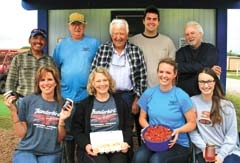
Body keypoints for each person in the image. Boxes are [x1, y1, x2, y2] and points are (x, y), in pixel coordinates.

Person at [52, 12, 100, 162]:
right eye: (74, 24)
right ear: (69, 26)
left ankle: (84, 159)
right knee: (67, 133)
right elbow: (55, 69)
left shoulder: (94, 44)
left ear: (84, 25)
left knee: (85, 131)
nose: (77, 27)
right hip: (66, 97)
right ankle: (68, 160)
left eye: (80, 24)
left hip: (87, 97)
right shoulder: (61, 45)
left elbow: (99, 69)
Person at [91, 18, 147, 146]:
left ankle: (129, 154)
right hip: (107, 96)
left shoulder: (135, 51)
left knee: (127, 129)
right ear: (111, 34)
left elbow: (142, 77)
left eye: (121, 33)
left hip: (129, 97)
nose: (118, 37)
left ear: (127, 34)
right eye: (115, 33)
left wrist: (137, 100)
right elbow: (93, 73)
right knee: (111, 128)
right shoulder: (102, 49)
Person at [132, 58, 196, 163]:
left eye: (168, 72)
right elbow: (142, 118)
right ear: (157, 72)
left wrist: (178, 131)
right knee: (139, 158)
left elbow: (192, 123)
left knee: (156, 161)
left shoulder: (181, 96)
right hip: (154, 141)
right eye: (161, 72)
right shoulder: (149, 93)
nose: (164, 75)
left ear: (175, 74)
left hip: (177, 143)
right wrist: (149, 130)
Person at [4, 65, 73, 163]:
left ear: (56, 82)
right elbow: (21, 134)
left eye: (50, 79)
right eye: (42, 80)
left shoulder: (63, 105)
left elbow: (58, 139)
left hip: (51, 152)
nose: (46, 83)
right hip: (27, 150)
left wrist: (61, 120)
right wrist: (13, 111)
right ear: (38, 83)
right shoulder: (27, 101)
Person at [72, 67, 133, 163]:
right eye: (98, 81)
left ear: (109, 81)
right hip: (94, 147)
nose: (102, 84)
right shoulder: (84, 105)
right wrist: (86, 145)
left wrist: (125, 142)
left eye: (105, 80)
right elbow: (76, 129)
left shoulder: (120, 101)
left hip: (117, 147)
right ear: (93, 83)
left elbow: (128, 125)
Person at [189, 67, 240, 163]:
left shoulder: (227, 106)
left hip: (228, 152)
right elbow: (192, 131)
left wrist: (221, 156)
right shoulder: (192, 102)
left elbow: (232, 135)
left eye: (209, 81)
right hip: (204, 151)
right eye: (202, 82)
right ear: (198, 83)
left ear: (215, 82)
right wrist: (204, 148)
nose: (206, 85)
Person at [129, 5, 176, 87]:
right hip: (139, 90)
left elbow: (173, 69)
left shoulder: (167, 42)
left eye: (154, 19)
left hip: (162, 89)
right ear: (143, 21)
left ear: (158, 22)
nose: (151, 22)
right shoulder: (133, 41)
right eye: (148, 19)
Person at [5, 28, 55, 100]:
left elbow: (55, 81)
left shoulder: (50, 60)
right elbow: (11, 81)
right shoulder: (18, 58)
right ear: (29, 40)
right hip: (22, 100)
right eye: (35, 38)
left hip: (44, 101)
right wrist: (10, 99)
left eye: (42, 39)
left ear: (45, 42)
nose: (38, 41)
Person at [176, 21, 222, 97]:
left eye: (192, 33)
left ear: (200, 34)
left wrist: (187, 69)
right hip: (186, 96)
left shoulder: (211, 49)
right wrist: (205, 70)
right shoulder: (181, 52)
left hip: (207, 96)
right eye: (187, 34)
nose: (190, 36)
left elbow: (182, 67)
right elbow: (179, 67)